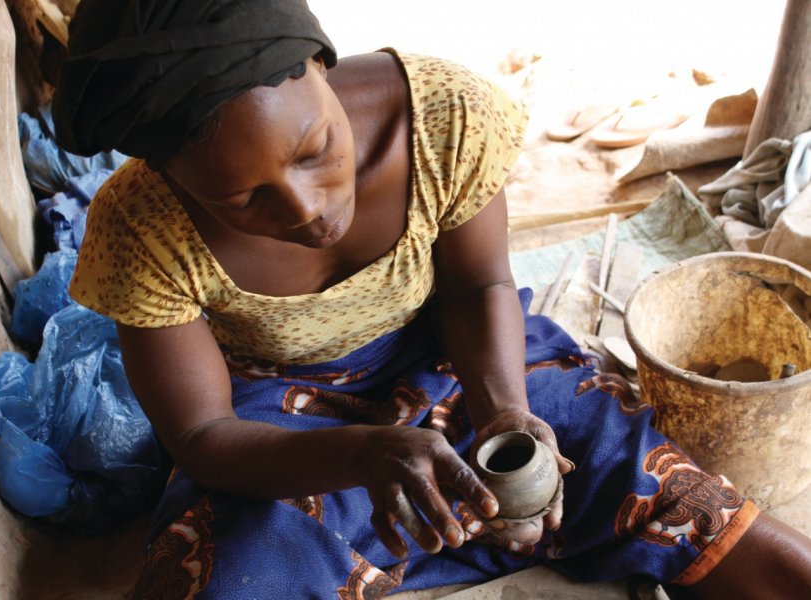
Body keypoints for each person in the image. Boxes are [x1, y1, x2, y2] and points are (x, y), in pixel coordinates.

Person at [53, 1, 811, 598]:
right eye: (242, 199)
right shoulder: (138, 227)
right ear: (170, 180)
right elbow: (203, 435)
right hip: (280, 419)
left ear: (320, 64)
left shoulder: (445, 118)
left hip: (457, 355)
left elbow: (479, 287)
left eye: (315, 149)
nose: (307, 209)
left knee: (656, 483)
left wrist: (508, 412)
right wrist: (362, 453)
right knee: (227, 572)